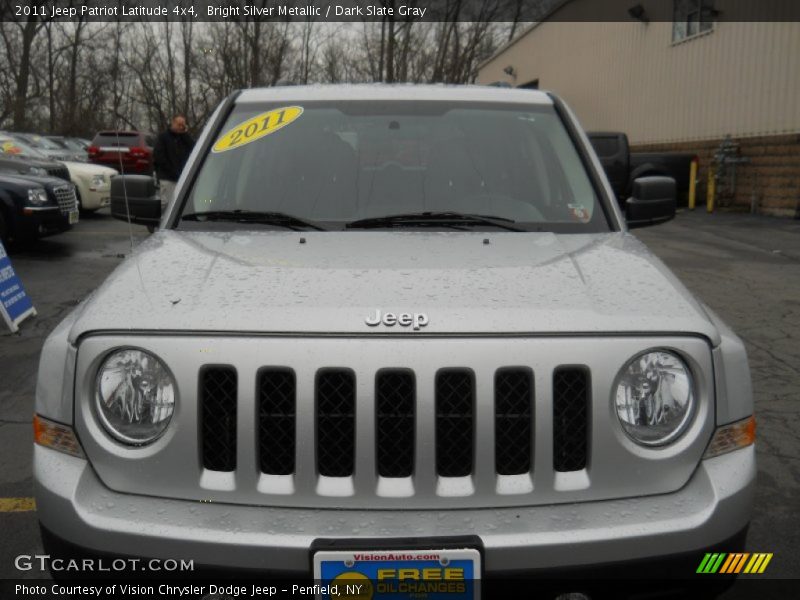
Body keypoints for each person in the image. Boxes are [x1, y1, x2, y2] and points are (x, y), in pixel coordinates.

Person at [153, 115, 195, 209]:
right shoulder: (163, 137)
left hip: (183, 178)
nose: (181, 127)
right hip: (167, 177)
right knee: (167, 204)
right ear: (173, 123)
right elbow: (159, 157)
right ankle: (163, 222)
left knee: (181, 205)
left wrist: (185, 134)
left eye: (183, 125)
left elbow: (194, 149)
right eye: (179, 124)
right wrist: (172, 171)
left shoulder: (184, 139)